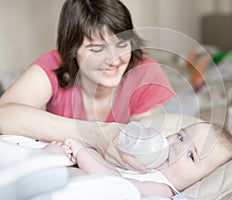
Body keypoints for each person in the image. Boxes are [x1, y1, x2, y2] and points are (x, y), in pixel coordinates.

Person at [0, 0, 174, 170]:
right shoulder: (55, 65)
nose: (113, 60)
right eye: (97, 49)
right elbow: (4, 114)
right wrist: (94, 134)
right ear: (73, 49)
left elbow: (149, 146)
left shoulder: (144, 73)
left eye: (122, 44)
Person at [44, 122, 232, 198]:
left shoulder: (162, 188)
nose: (177, 146)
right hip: (86, 175)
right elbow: (109, 161)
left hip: (94, 189)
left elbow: (115, 182)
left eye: (191, 155)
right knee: (55, 153)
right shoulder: (150, 161)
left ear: (200, 180)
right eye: (180, 137)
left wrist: (82, 153)